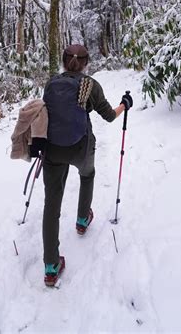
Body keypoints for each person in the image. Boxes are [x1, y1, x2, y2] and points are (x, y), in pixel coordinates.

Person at [38, 43, 133, 286]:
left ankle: (50, 266)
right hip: (81, 146)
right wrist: (125, 104)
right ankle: (82, 220)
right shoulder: (91, 85)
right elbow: (110, 117)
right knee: (87, 174)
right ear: (86, 63)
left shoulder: (51, 83)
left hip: (52, 149)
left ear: (63, 60)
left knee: (52, 203)